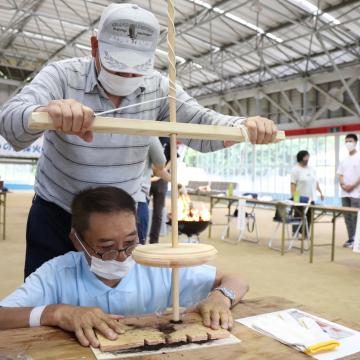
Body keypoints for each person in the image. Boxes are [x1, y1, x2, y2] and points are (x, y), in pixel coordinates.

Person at [0, 3, 277, 278]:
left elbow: (199, 122)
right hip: (58, 213)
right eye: (118, 68)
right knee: (43, 300)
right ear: (95, 46)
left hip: (125, 219)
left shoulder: (158, 86)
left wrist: (240, 126)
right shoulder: (61, 75)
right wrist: (44, 112)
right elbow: (10, 120)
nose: (128, 77)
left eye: (137, 70)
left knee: (122, 299)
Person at [0, 186, 249, 348]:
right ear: (77, 241)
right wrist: (57, 313)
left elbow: (236, 280)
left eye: (130, 243)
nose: (121, 257)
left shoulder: (156, 263)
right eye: (106, 247)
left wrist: (221, 297)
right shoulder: (57, 273)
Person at [137, 137, 170, 244]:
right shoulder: (150, 134)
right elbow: (160, 165)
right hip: (139, 194)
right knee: (138, 244)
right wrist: (173, 179)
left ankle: (154, 241)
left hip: (112, 193)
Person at [290, 150, 324, 236]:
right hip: (300, 198)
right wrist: (295, 198)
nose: (307, 158)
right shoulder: (295, 169)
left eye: (308, 156)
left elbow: (315, 182)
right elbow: (293, 185)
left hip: (311, 198)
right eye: (306, 157)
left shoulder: (312, 169)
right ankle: (296, 232)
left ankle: (305, 233)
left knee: (309, 217)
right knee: (298, 215)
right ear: (301, 158)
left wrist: (321, 192)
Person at [337, 134, 360, 248]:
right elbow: (340, 174)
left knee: (356, 217)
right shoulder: (344, 160)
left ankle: (357, 240)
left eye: (350, 141)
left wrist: (352, 186)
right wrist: (343, 184)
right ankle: (351, 238)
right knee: (347, 217)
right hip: (344, 193)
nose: (348, 143)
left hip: (356, 193)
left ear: (355, 142)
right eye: (346, 141)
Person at [149, 137, 171, 243]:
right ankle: (139, 240)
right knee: (140, 210)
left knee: (158, 213)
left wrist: (162, 171)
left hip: (162, 180)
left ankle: (154, 241)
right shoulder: (150, 136)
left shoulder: (168, 138)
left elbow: (173, 158)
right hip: (146, 178)